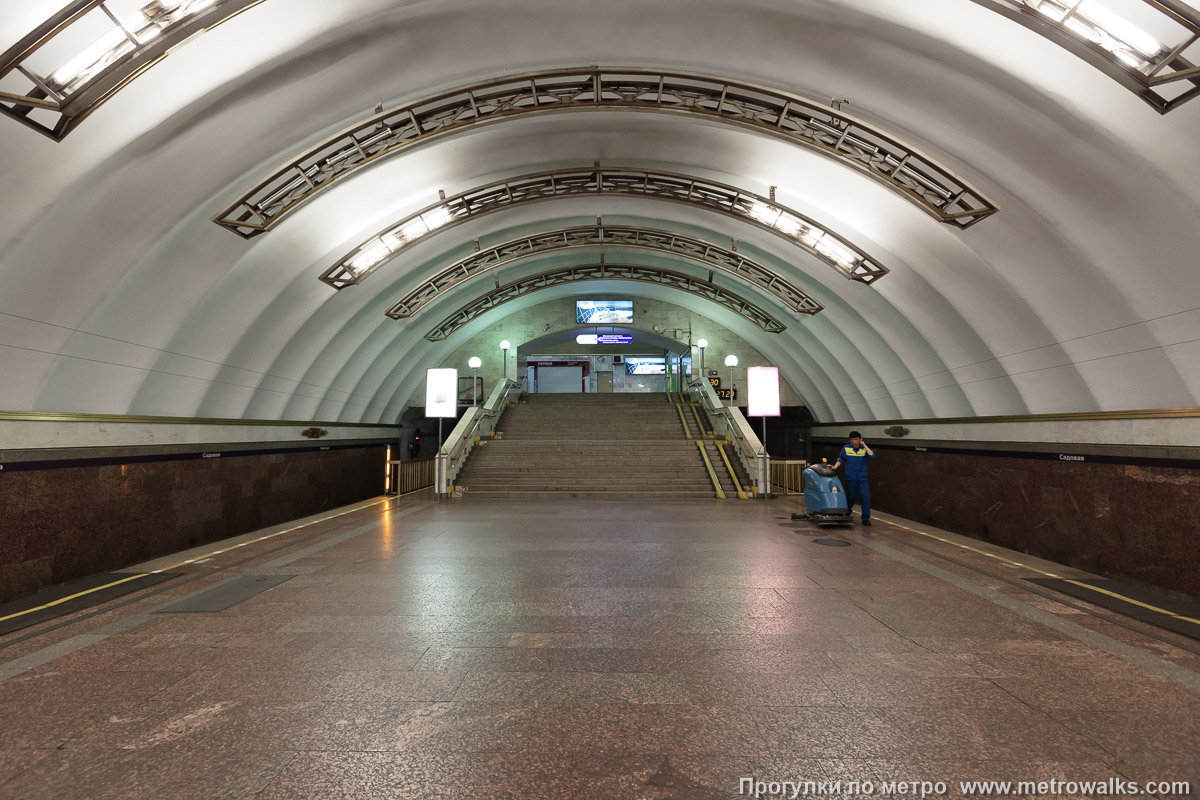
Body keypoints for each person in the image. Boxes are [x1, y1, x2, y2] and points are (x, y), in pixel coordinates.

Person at [833, 430, 875, 525]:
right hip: (851, 478)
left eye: (856, 439)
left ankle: (865, 518)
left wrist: (864, 445)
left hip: (862, 479)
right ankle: (847, 513)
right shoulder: (846, 448)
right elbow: (841, 458)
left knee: (866, 497)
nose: (854, 441)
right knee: (850, 497)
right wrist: (835, 466)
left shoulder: (863, 449)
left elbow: (872, 455)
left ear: (860, 439)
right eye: (852, 439)